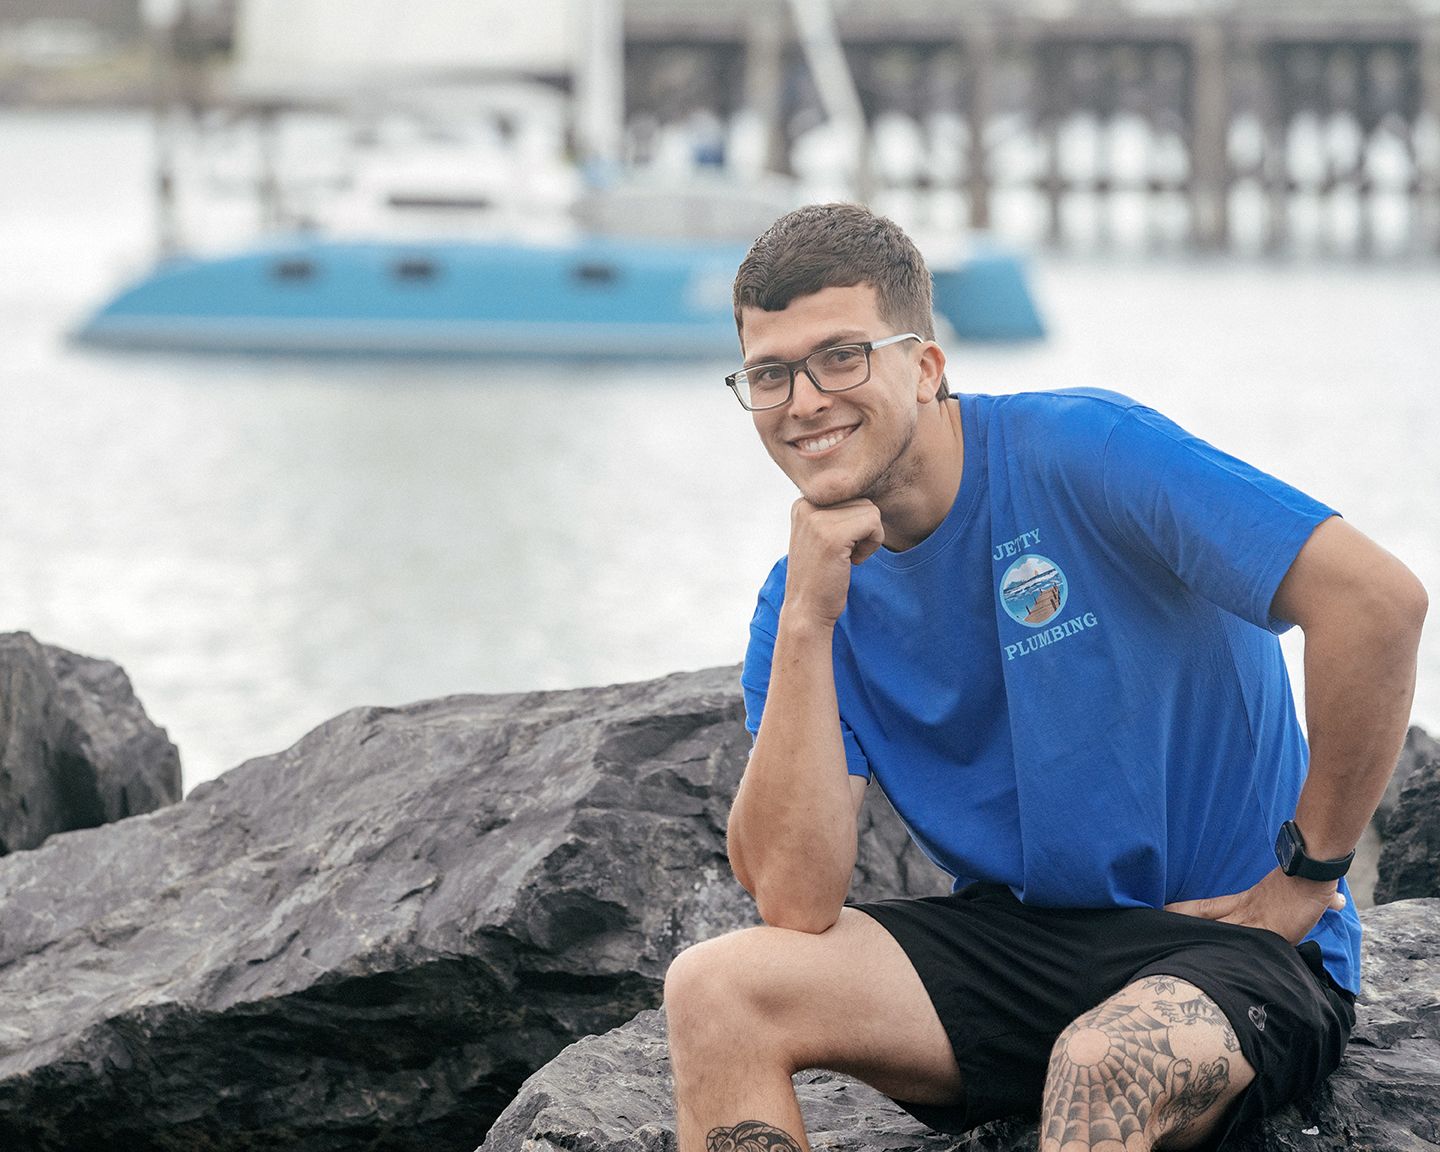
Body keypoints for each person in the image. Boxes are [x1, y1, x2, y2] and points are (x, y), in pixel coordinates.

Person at [662, 203, 1428, 1152]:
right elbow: (794, 900)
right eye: (771, 373)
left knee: (1104, 1062)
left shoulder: (1086, 450)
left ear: (928, 366)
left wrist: (1309, 875)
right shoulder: (803, 598)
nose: (805, 399)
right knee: (716, 989)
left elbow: (1376, 601)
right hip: (1020, 948)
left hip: (1234, 944)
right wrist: (811, 622)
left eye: (842, 356)